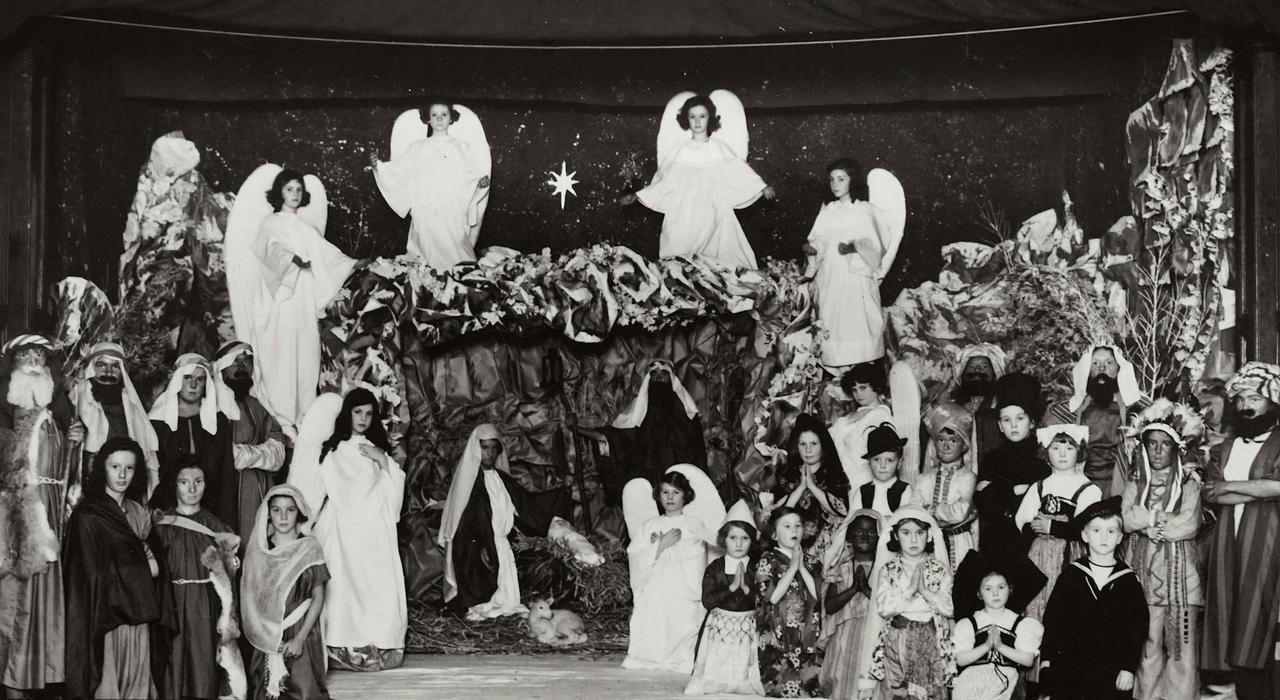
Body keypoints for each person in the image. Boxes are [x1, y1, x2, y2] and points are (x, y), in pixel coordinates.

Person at [227, 167, 356, 428]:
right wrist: (291, 259)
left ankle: (304, 415)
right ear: (279, 193)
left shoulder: (304, 227)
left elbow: (325, 254)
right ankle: (281, 418)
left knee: (306, 352)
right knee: (282, 354)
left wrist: (351, 264)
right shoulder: (271, 223)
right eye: (289, 189)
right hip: (280, 303)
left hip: (303, 302)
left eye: (299, 189)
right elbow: (268, 253)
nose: (295, 194)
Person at [305, 389, 406, 671]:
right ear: (347, 413)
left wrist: (382, 459)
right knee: (344, 588)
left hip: (373, 529)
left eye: (369, 413)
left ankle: (378, 644)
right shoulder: (333, 450)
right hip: (341, 528)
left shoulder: (377, 449)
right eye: (357, 412)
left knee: (375, 584)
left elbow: (393, 490)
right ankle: (340, 647)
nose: (363, 418)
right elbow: (326, 487)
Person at [63, 437, 170, 699]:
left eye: (129, 468)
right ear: (103, 469)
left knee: (137, 684)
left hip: (140, 614)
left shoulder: (139, 513)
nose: (122, 475)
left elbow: (157, 567)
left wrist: (139, 570)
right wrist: (138, 571)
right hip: (106, 616)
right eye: (115, 467)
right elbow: (86, 575)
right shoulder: (87, 516)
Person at [620, 93, 775, 269]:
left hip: (714, 211)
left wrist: (761, 187)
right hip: (684, 213)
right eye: (692, 117)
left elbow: (738, 172)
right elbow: (664, 181)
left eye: (702, 116)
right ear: (687, 120)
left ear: (710, 118)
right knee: (680, 258)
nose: (698, 122)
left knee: (722, 257)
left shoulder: (718, 148)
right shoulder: (680, 150)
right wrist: (639, 195)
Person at [1202, 361, 1280, 699]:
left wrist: (1230, 488)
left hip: (1269, 541)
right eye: (1242, 399)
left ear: (1272, 403)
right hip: (1227, 542)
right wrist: (1261, 486)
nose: (1247, 406)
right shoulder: (1225, 446)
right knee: (1230, 614)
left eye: (1255, 399)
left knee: (1260, 614)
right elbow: (1209, 491)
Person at [0, 335, 73, 695]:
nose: (31, 365)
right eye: (23, 359)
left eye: (38, 359)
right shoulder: (5, 417)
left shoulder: (54, 417)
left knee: (39, 608)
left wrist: (74, 441)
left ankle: (33, 681)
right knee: (13, 608)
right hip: (11, 526)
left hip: (51, 522)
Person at [1119, 400, 1204, 700]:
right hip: (1143, 575)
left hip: (1181, 577)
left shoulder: (1189, 482)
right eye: (1151, 443)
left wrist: (1149, 524)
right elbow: (1127, 519)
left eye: (1165, 444)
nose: (1157, 450)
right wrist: (1155, 520)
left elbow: (1189, 524)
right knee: (1148, 642)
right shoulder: (1136, 481)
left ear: (1176, 448)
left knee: (1182, 645)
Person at [439, 424, 558, 620]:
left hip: (500, 543)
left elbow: (526, 505)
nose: (490, 453)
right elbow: (466, 523)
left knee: (508, 601)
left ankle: (503, 603)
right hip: (475, 545)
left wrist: (559, 501)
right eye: (485, 448)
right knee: (487, 594)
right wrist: (482, 545)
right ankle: (481, 604)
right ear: (476, 449)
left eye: (494, 448)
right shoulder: (470, 483)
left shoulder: (501, 478)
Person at [1039, 497, 1147, 700]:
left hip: (1111, 670)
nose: (1103, 537)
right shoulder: (1072, 575)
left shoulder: (1127, 580)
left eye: (1111, 531)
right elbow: (1054, 620)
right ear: (1084, 535)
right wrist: (1047, 659)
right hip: (1070, 667)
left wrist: (1128, 667)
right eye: (1096, 530)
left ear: (1119, 537)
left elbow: (1137, 627)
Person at [148, 457, 237, 700]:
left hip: (204, 604)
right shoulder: (160, 524)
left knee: (203, 661)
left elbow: (228, 580)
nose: (192, 488)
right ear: (174, 485)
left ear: (206, 485)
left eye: (198, 481)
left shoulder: (216, 527)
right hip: (170, 603)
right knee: (172, 662)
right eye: (184, 482)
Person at [371, 101, 491, 267]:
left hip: (451, 204)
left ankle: (457, 268)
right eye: (434, 115)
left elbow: (472, 171)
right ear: (428, 119)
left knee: (454, 240)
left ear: (451, 118)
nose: (439, 119)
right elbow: (400, 170)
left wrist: (480, 181)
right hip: (425, 204)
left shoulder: (460, 146)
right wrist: (379, 167)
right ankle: (427, 271)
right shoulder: (417, 147)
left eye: (444, 115)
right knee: (426, 239)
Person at [804, 159, 896, 369]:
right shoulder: (828, 211)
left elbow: (879, 243)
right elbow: (819, 239)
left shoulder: (866, 210)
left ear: (852, 181)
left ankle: (863, 372)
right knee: (832, 321)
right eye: (832, 180)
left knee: (856, 321)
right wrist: (813, 249)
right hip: (831, 276)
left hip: (855, 276)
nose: (835, 184)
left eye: (841, 179)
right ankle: (834, 373)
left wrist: (855, 247)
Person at [241, 484, 330, 700]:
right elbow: (251, 602)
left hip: (302, 634)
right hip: (267, 638)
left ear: (299, 512)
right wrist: (267, 637)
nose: (283, 517)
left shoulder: (309, 548)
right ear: (268, 514)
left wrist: (299, 638)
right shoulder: (260, 553)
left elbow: (318, 597)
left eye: (290, 510)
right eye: (276, 510)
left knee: (303, 691)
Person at [623, 469, 712, 673]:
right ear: (658, 495)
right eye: (665, 492)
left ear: (685, 496)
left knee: (680, 615)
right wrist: (659, 546)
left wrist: (668, 548)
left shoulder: (693, 524)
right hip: (655, 584)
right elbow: (635, 554)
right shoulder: (650, 525)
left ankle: (679, 659)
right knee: (652, 608)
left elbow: (696, 556)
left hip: (681, 586)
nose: (670, 497)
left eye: (676, 492)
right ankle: (648, 657)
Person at [861, 506, 954, 700]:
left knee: (930, 690)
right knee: (899, 691)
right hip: (898, 638)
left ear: (929, 536)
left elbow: (948, 607)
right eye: (906, 533)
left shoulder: (939, 569)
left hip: (931, 638)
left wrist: (925, 591)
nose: (913, 540)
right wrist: (910, 590)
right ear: (895, 535)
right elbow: (885, 607)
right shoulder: (889, 569)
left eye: (920, 533)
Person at [1014, 425, 1100, 629]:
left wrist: (1052, 527)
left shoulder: (1088, 489)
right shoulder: (1039, 486)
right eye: (1055, 448)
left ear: (1079, 451)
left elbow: (1086, 528)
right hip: (1039, 557)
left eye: (1069, 448)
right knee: (1036, 607)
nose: (1062, 454)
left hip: (1071, 555)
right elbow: (1021, 521)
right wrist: (1033, 527)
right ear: (1045, 451)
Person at [684, 500, 764, 696]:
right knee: (716, 664)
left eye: (744, 538)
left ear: (751, 541)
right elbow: (708, 601)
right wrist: (731, 588)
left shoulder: (758, 567)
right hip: (719, 627)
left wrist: (746, 588)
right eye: (733, 538)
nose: (738, 544)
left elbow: (765, 600)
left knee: (745, 665)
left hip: (747, 627)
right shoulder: (716, 567)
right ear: (724, 539)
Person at [1047, 345, 1148, 496]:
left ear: (1119, 369)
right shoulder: (1065, 412)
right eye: (1095, 363)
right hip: (1079, 487)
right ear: (1086, 370)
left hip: (1125, 487)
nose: (1102, 368)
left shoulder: (1138, 409)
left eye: (1109, 363)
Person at [150, 354, 237, 529]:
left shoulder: (218, 421)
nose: (193, 385)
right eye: (187, 378)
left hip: (212, 509)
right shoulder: (158, 422)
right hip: (169, 512)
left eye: (200, 379)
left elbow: (226, 473)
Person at [212, 341, 288, 542]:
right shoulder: (211, 408)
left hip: (258, 494)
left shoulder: (258, 407)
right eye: (235, 362)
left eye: (247, 361)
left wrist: (246, 454)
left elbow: (278, 453)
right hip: (222, 496)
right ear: (221, 367)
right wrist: (259, 453)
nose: (242, 367)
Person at [598, 360, 706, 497]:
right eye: (654, 374)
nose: (659, 378)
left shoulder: (686, 412)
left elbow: (698, 451)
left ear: (672, 378)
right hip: (649, 479)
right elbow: (623, 436)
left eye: (664, 374)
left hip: (679, 480)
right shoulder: (640, 410)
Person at [973, 373, 1051, 560]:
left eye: (1020, 418)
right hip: (997, 540)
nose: (1013, 425)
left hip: (1032, 542)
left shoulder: (1043, 461)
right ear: (1000, 425)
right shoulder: (991, 460)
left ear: (1032, 422)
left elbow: (1044, 503)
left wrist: (998, 490)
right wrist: (1016, 490)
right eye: (1007, 420)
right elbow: (983, 501)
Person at [69, 341, 160, 497]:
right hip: (87, 489)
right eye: (101, 365)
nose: (108, 372)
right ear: (91, 368)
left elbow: (147, 457)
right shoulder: (76, 399)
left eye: (115, 366)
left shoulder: (132, 406)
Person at [756, 506, 825, 697]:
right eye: (786, 526)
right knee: (778, 685)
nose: (794, 530)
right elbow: (772, 597)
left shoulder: (813, 563)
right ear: (774, 535)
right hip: (779, 631)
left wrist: (801, 567)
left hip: (807, 632)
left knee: (807, 686)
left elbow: (818, 595)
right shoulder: (768, 560)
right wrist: (792, 568)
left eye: (798, 526)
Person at [950, 566, 1044, 700]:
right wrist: (986, 646)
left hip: (1007, 677)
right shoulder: (970, 623)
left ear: (1009, 590)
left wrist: (1000, 646)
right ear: (980, 594)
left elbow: (1028, 660)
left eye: (1001, 587)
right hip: (974, 678)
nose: (995, 593)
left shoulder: (1019, 623)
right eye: (988, 589)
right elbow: (960, 660)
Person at [818, 508, 881, 700]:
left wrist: (867, 590)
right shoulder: (840, 568)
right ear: (849, 537)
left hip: (873, 635)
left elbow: (888, 605)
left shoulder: (884, 569)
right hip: (842, 637)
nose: (864, 536)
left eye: (871, 532)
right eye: (859, 531)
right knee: (840, 681)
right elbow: (830, 606)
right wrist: (854, 588)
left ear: (879, 537)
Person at [772, 413, 850, 564]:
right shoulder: (788, 474)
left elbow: (842, 510)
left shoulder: (834, 475)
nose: (808, 450)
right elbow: (778, 514)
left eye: (814, 444)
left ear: (823, 446)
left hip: (828, 548)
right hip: (791, 546)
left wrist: (813, 487)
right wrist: (801, 488)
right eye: (803, 444)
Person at [913, 402, 978, 570]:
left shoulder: (967, 477)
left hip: (960, 542)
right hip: (929, 542)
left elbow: (960, 511)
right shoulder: (925, 478)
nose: (946, 445)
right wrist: (943, 512)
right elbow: (914, 508)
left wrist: (931, 510)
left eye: (953, 440)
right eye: (941, 439)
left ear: (964, 445)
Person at [828, 361, 894, 488]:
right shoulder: (850, 416)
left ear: (876, 386)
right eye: (854, 389)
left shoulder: (881, 416)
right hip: (841, 478)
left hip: (863, 480)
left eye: (863, 387)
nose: (858, 394)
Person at [945, 344, 1009, 465]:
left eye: (984, 367)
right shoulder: (949, 408)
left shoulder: (1003, 406)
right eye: (972, 366)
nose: (977, 370)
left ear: (994, 373)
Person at [849, 422, 913, 519]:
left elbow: (904, 521)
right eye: (877, 460)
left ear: (899, 463)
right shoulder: (862, 492)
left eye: (889, 460)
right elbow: (852, 520)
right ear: (869, 461)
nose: (882, 465)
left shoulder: (904, 490)